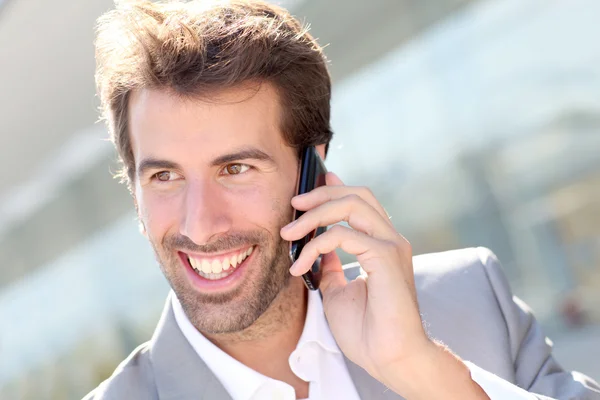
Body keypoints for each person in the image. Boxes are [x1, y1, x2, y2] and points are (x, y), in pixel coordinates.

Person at [85, 1, 600, 399]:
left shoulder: (471, 301)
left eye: (236, 168)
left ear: (312, 169)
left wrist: (424, 373)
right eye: (165, 177)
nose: (199, 224)